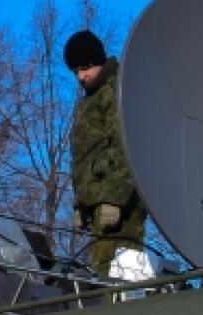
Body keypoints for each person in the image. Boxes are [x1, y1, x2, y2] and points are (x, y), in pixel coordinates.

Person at [64, 31, 152, 281]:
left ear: (96, 62)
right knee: (102, 270)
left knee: (123, 268)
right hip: (98, 205)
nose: (81, 77)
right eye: (75, 72)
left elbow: (126, 145)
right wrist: (80, 203)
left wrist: (114, 198)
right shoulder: (88, 100)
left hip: (121, 204)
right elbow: (84, 155)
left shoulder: (114, 90)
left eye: (84, 68)